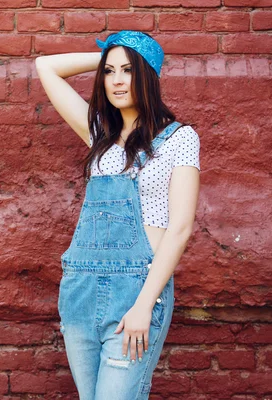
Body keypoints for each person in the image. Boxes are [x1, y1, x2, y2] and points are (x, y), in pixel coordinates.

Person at [35, 31, 200, 399]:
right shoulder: (98, 133)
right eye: (110, 72)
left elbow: (180, 228)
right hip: (81, 291)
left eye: (128, 70)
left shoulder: (180, 138)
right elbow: (46, 67)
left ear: (147, 74)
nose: (117, 80)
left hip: (137, 292)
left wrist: (143, 307)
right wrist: (107, 57)